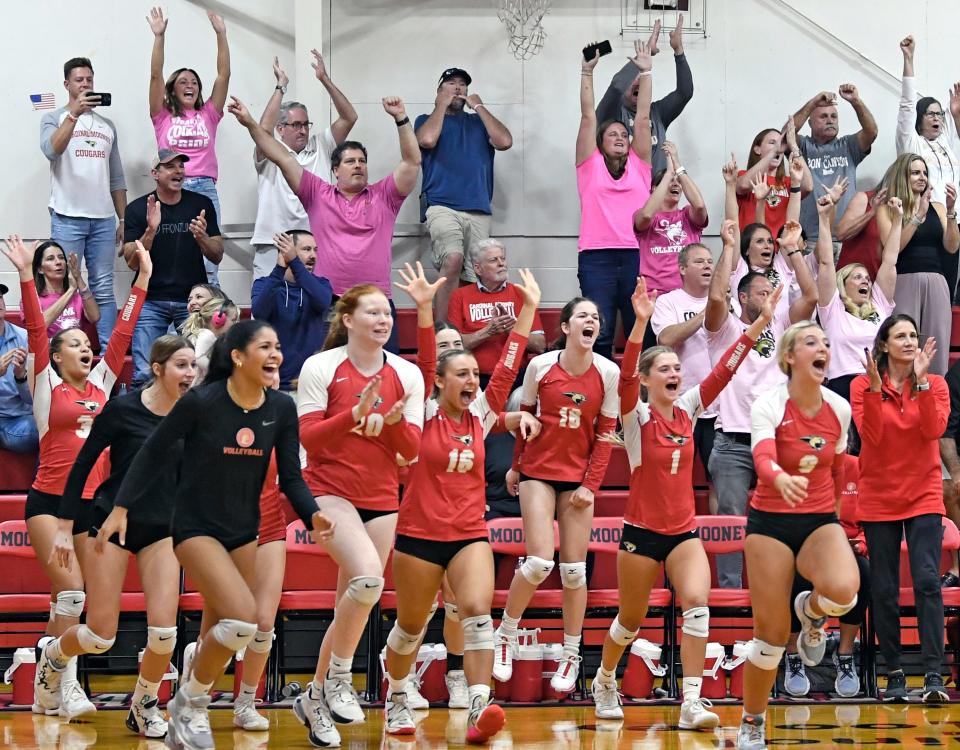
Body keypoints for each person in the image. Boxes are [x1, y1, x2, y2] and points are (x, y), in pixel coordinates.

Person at [99, 320, 334, 750]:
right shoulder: (202, 403)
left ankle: (190, 707)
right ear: (239, 357)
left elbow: (292, 478)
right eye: (265, 346)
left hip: (244, 530)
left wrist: (312, 514)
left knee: (220, 633)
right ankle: (188, 703)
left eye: (278, 346)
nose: (276, 354)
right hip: (193, 527)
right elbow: (151, 453)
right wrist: (119, 508)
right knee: (245, 619)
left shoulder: (281, 408)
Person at [590, 278, 778, 725]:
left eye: (678, 368)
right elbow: (628, 374)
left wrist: (760, 325)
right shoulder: (636, 417)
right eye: (666, 369)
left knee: (697, 603)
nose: (676, 374)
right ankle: (604, 678)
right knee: (630, 622)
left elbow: (725, 370)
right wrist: (638, 324)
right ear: (650, 380)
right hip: (641, 533)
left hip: (683, 532)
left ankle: (691, 702)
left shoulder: (690, 408)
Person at [382, 263, 539, 742]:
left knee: (476, 612)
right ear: (442, 381)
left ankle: (477, 706)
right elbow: (427, 359)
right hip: (418, 536)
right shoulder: (424, 411)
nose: (472, 380)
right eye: (462, 374)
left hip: (469, 533)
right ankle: (396, 697)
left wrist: (528, 310)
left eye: (475, 374)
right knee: (410, 626)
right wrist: (425, 308)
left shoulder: (483, 412)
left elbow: (510, 362)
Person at [1, 234, 150, 721]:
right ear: (59, 357)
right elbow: (37, 332)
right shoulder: (46, 383)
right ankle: (64, 689)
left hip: (95, 505)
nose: (87, 351)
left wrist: (142, 282)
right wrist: (26, 274)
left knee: (77, 609)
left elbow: (124, 335)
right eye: (77, 346)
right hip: (49, 503)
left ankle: (44, 680)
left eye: (89, 345)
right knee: (71, 594)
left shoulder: (104, 385)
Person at [38, 336, 196, 739]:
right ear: (158, 368)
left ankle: (143, 706)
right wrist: (61, 526)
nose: (190, 374)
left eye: (193, 365)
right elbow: (82, 466)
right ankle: (53, 656)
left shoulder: (194, 415)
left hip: (163, 529)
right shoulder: (123, 410)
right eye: (181, 365)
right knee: (99, 635)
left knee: (165, 633)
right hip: (112, 523)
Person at [294, 284, 424, 747]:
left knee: (351, 602)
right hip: (327, 490)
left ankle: (312, 697)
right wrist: (354, 414)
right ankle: (339, 679)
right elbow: (310, 441)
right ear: (348, 319)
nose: (384, 319)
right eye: (373, 312)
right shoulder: (320, 367)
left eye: (387, 312)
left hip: (382, 494)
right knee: (368, 580)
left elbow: (413, 453)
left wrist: (391, 426)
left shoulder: (407, 374)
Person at [737, 320, 860, 750]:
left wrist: (836, 519)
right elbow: (763, 456)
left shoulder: (838, 408)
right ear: (790, 357)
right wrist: (777, 478)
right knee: (770, 638)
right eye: (811, 342)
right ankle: (752, 721)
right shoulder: (769, 404)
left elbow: (840, 465)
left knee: (846, 592)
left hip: (818, 519)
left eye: (826, 342)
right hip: (769, 524)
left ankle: (810, 611)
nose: (822, 347)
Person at [492, 295, 620, 694]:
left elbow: (605, 436)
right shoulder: (540, 366)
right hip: (537, 472)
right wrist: (515, 464)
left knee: (574, 571)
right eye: (582, 315)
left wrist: (590, 485)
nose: (591, 321)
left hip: (579, 477)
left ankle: (571, 651)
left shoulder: (608, 372)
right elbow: (524, 420)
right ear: (565, 328)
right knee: (538, 563)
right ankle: (506, 634)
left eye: (596, 317)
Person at [229, 95, 420, 354]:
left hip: (377, 300)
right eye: (350, 161)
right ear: (335, 170)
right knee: (327, 375)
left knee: (384, 374)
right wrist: (250, 123)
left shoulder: (385, 196)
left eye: (362, 161)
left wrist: (401, 118)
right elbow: (282, 158)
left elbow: (412, 162)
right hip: (328, 302)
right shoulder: (318, 194)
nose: (358, 166)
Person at [707, 208, 817, 591]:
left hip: (776, 438)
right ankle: (732, 600)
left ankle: (782, 596)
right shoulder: (725, 328)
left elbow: (813, 296)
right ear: (743, 296)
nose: (769, 297)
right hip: (734, 440)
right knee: (731, 522)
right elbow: (716, 296)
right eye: (760, 292)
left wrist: (793, 252)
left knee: (785, 518)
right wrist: (726, 249)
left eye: (771, 291)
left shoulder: (783, 321)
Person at [851, 315, 950, 704]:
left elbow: (933, 431)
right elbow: (870, 437)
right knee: (886, 588)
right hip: (878, 495)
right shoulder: (863, 385)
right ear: (885, 344)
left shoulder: (936, 384)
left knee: (927, 580)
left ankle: (932, 673)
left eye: (913, 335)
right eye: (901, 336)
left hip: (924, 492)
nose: (910, 341)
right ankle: (892, 670)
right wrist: (876, 392)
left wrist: (922, 384)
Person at [414, 67, 513, 322]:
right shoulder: (425, 119)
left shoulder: (477, 122)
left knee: (475, 274)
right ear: (439, 91)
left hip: (478, 208)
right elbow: (426, 140)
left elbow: (504, 141)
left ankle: (463, 330)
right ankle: (441, 331)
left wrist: (479, 107)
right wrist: (441, 106)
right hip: (442, 205)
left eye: (462, 84)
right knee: (453, 259)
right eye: (450, 83)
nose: (458, 88)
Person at [40, 56, 126, 347]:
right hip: (67, 216)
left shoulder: (106, 125)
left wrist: (123, 218)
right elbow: (52, 151)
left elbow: (116, 178)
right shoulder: (52, 118)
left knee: (103, 287)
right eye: (79, 80)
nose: (85, 84)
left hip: (102, 219)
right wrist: (73, 116)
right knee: (64, 285)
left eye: (89, 79)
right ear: (67, 84)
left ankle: (109, 361)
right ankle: (67, 353)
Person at [251, 52, 358, 281]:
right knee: (266, 310)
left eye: (306, 124)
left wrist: (324, 79)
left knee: (312, 309)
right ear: (280, 128)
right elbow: (262, 130)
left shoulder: (322, 145)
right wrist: (281, 87)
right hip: (273, 242)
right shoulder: (270, 151)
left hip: (314, 242)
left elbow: (349, 117)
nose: (303, 130)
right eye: (296, 125)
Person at [577, 40, 654, 359]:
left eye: (624, 135)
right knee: (601, 330)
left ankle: (644, 396)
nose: (621, 137)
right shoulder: (589, 165)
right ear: (600, 143)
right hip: (596, 258)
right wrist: (586, 72)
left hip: (634, 256)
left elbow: (644, 119)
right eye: (614, 135)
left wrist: (646, 70)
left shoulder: (640, 165)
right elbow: (587, 119)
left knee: (641, 326)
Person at [124, 149, 223, 387]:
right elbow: (131, 262)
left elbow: (217, 254)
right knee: (144, 373)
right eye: (170, 167)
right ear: (155, 174)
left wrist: (202, 238)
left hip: (191, 302)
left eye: (181, 166)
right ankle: (145, 423)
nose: (178, 171)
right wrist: (150, 230)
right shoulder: (138, 208)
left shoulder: (201, 204)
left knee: (199, 371)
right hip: (149, 300)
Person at [147, 6, 230, 285]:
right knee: (172, 255)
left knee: (208, 260)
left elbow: (223, 75)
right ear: (173, 88)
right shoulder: (162, 115)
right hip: (172, 189)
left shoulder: (209, 113)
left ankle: (210, 312)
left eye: (194, 81)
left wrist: (221, 34)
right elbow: (156, 76)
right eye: (183, 81)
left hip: (204, 188)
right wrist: (159, 37)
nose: (189, 84)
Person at [876, 153, 959, 375]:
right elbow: (893, 249)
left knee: (936, 342)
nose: (922, 177)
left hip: (936, 280)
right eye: (915, 172)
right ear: (903, 175)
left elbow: (952, 247)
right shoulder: (888, 209)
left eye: (924, 173)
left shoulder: (938, 208)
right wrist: (917, 216)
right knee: (903, 342)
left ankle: (935, 401)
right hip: (904, 279)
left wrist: (951, 212)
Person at [814, 194, 900, 407]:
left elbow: (889, 261)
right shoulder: (832, 309)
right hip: (842, 388)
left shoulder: (879, 305)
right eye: (858, 277)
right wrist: (824, 221)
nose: (866, 282)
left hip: (879, 384)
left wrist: (898, 220)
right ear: (843, 283)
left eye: (868, 278)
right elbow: (825, 263)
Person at [650, 243, 715, 508]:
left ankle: (722, 548)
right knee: (675, 478)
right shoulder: (669, 301)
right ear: (683, 269)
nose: (708, 266)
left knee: (717, 482)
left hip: (720, 408)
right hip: (680, 405)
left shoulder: (729, 301)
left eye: (710, 261)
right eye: (699, 262)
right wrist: (707, 313)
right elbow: (666, 338)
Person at [898, 36, 960, 302]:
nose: (936, 117)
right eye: (931, 113)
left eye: (939, 114)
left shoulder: (947, 142)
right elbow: (907, 104)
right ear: (919, 119)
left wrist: (955, 115)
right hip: (926, 223)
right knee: (935, 288)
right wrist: (909, 59)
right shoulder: (911, 142)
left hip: (952, 220)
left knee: (950, 292)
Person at [595, 16, 693, 173]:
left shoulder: (657, 112)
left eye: (642, 77)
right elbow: (617, 86)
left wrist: (679, 51)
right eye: (633, 78)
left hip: (659, 192)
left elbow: (685, 92)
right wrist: (645, 55)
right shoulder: (612, 114)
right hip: (628, 192)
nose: (637, 83)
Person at [446, 239, 546, 388]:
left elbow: (540, 345)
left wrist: (512, 330)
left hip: (516, 377)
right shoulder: (460, 296)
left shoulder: (522, 294)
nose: (502, 264)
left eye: (503, 258)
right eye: (494, 260)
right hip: (474, 378)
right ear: (478, 269)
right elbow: (453, 346)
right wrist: (488, 331)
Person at [792, 86, 878, 248]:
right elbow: (785, 135)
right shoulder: (803, 147)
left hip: (846, 238)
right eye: (823, 116)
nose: (830, 120)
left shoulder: (848, 145)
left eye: (834, 116)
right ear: (810, 123)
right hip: (811, 240)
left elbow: (871, 131)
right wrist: (812, 103)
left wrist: (856, 101)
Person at [251, 230, 333, 392]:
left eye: (315, 250)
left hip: (312, 385)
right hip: (273, 384)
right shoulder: (264, 283)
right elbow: (260, 311)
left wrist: (294, 261)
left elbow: (323, 302)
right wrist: (280, 268)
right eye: (306, 249)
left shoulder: (322, 284)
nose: (313, 255)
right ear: (285, 251)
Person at [634, 141, 708, 296]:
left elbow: (700, 206)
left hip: (687, 295)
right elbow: (646, 216)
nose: (676, 184)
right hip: (654, 295)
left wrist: (678, 167)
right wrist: (668, 174)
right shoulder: (643, 215)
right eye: (670, 181)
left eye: (678, 182)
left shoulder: (687, 215)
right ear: (655, 188)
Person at [735, 120, 812, 237]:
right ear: (757, 149)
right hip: (751, 249)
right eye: (772, 142)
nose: (779, 146)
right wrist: (774, 151)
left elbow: (808, 186)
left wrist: (793, 146)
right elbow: (743, 185)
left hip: (781, 249)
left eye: (781, 143)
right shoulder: (743, 175)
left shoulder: (787, 182)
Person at [31, 241, 99, 341]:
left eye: (61, 257)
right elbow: (39, 326)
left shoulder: (78, 297)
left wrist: (78, 277)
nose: (58, 262)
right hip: (49, 354)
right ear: (40, 269)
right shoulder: (33, 299)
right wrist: (70, 291)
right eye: (50, 259)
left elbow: (94, 317)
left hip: (77, 352)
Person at [0, 284, 37, 454]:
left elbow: (31, 400)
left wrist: (21, 377)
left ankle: (43, 481)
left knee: (51, 427)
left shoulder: (23, 338)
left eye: (0, 297)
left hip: (20, 418)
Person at [181, 295, 239, 384]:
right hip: (197, 386)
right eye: (233, 320)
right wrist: (217, 373)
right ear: (218, 319)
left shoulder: (206, 334)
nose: (235, 324)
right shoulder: (207, 335)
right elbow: (199, 358)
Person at [836, 187, 889, 279]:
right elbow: (841, 233)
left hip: (878, 282)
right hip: (850, 280)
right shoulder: (866, 198)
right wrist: (872, 212)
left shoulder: (904, 209)